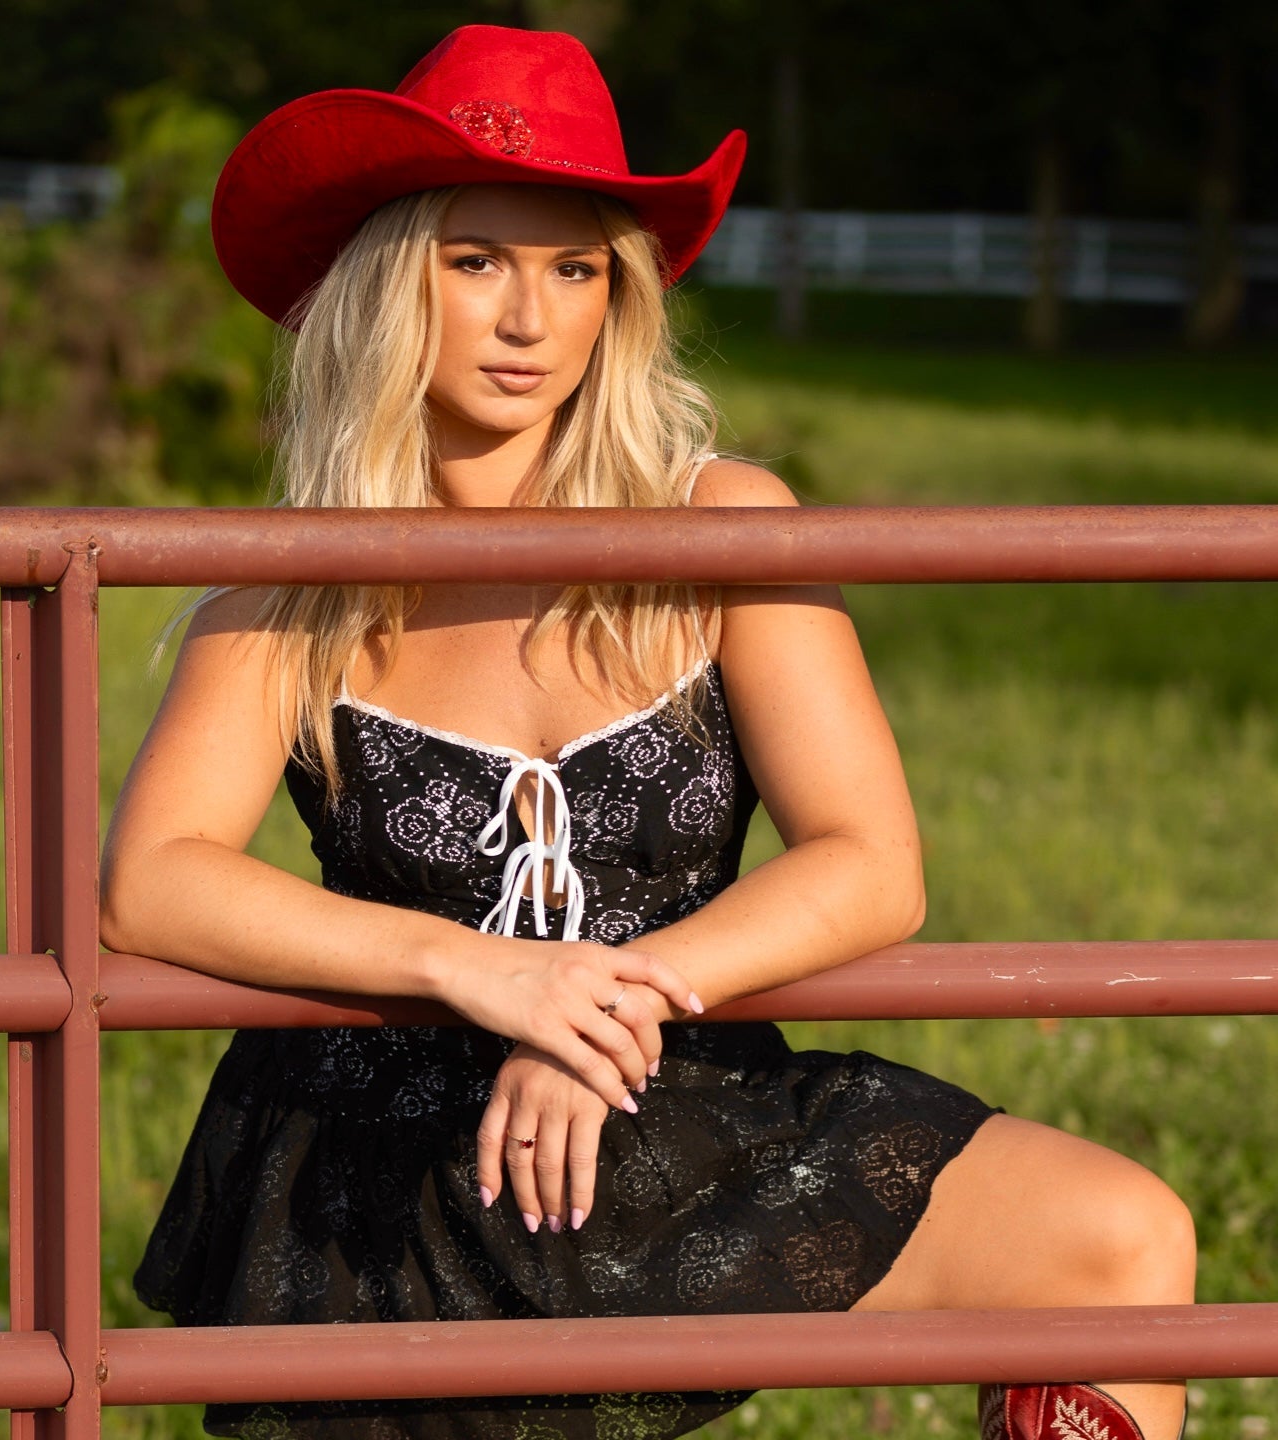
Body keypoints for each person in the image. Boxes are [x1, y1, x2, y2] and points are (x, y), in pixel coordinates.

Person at [98, 24, 1195, 1440]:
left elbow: (872, 862)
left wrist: (603, 1005)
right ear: (388, 280)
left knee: (1115, 1245)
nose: (528, 319)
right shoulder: (298, 577)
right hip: (392, 1166)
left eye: (575, 270)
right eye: (476, 259)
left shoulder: (717, 525)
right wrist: (484, 975)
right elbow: (152, 879)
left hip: (674, 1096)